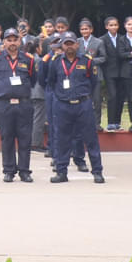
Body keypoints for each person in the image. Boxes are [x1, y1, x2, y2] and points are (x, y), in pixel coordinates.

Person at [47, 36, 104, 185]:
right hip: (63, 105)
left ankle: (97, 172)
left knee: (91, 139)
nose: (69, 47)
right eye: (66, 44)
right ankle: (61, 172)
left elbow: (93, 81)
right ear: (62, 46)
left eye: (72, 43)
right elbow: (51, 82)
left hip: (83, 104)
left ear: (77, 45)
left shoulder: (87, 60)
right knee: (62, 139)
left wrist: (85, 96)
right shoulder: (56, 62)